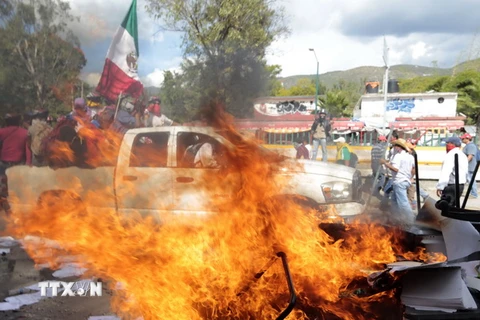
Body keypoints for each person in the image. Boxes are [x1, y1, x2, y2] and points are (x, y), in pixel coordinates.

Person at [0, 113, 32, 214]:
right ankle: (16, 208)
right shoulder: (25, 133)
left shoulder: (2, 132)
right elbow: (28, 150)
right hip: (19, 165)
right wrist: (28, 163)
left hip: (4, 164)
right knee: (17, 187)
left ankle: (5, 208)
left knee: (3, 186)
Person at [380, 139, 415, 225]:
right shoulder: (410, 156)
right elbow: (413, 169)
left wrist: (385, 163)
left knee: (403, 203)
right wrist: (411, 177)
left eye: (395, 146)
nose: (394, 148)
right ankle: (395, 219)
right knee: (394, 201)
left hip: (399, 181)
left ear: (398, 147)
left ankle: (411, 221)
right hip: (405, 180)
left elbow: (395, 169)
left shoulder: (398, 156)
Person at [435, 136, 468, 208]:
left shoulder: (450, 155)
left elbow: (446, 171)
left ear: (452, 144)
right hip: (460, 185)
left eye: (447, 143)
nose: (446, 145)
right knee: (453, 207)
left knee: (445, 207)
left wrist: (440, 186)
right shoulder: (463, 155)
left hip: (451, 185)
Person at [461, 133, 478, 198]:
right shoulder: (468, 145)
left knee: (471, 180)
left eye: (463, 138)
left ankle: (473, 194)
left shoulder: (471, 146)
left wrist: (464, 164)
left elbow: (470, 156)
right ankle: (471, 193)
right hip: (468, 166)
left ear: (467, 139)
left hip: (469, 166)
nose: (462, 139)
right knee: (469, 180)